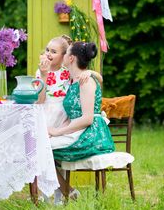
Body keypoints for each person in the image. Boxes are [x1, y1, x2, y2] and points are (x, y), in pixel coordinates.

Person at [48, 41, 115, 199]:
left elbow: (87, 119)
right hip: (78, 130)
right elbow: (73, 116)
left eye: (65, 53)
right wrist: (54, 133)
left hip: (90, 134)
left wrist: (58, 131)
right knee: (41, 147)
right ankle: (68, 192)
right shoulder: (75, 81)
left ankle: (68, 192)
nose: (63, 55)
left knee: (42, 150)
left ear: (71, 58)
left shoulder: (86, 82)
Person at [35, 35, 103, 129]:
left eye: (54, 52)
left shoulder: (67, 71)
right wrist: (43, 75)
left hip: (63, 115)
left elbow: (100, 79)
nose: (48, 54)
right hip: (46, 113)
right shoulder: (40, 72)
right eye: (47, 50)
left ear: (64, 56)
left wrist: (90, 72)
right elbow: (40, 100)